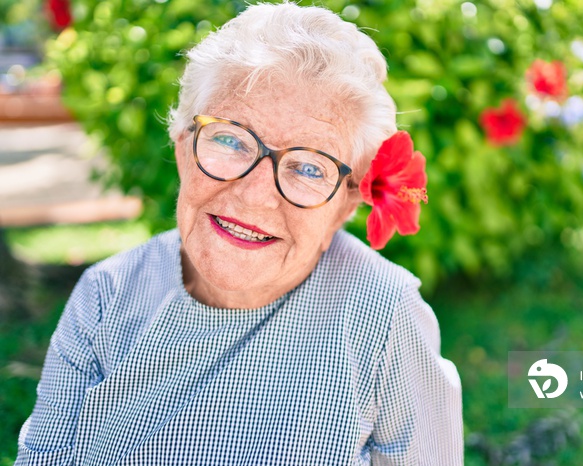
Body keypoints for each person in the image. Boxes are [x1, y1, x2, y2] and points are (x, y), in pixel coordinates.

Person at [15, 3, 463, 464]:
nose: (255, 195)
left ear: (343, 206)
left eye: (309, 167)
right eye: (230, 139)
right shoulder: (106, 295)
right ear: (183, 146)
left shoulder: (384, 316)